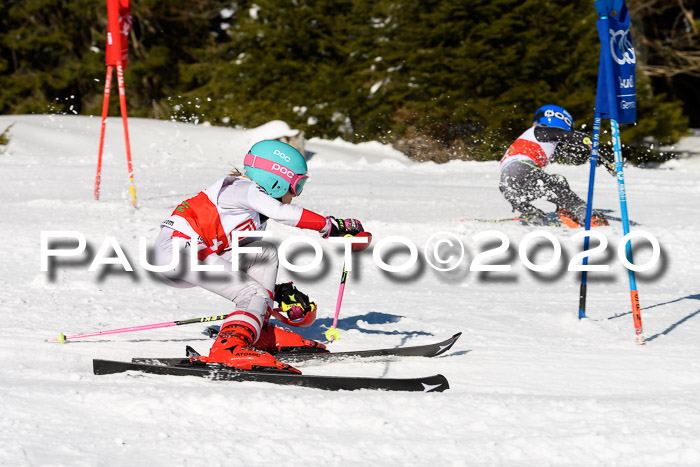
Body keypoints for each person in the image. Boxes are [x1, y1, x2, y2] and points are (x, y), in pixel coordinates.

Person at [153, 140, 364, 373]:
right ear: (277, 178)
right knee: (251, 292)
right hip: (179, 251)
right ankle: (229, 349)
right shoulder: (242, 189)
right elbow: (282, 212)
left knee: (264, 253)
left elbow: (240, 261)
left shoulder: (252, 212)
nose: (296, 194)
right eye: (297, 185)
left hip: (191, 255)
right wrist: (330, 226)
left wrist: (276, 292)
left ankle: (258, 333)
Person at [499, 105, 614, 227]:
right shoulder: (538, 131)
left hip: (507, 184)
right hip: (522, 168)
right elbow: (576, 137)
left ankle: (533, 214)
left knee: (553, 184)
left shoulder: (530, 138)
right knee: (558, 187)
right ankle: (587, 216)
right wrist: (608, 159)